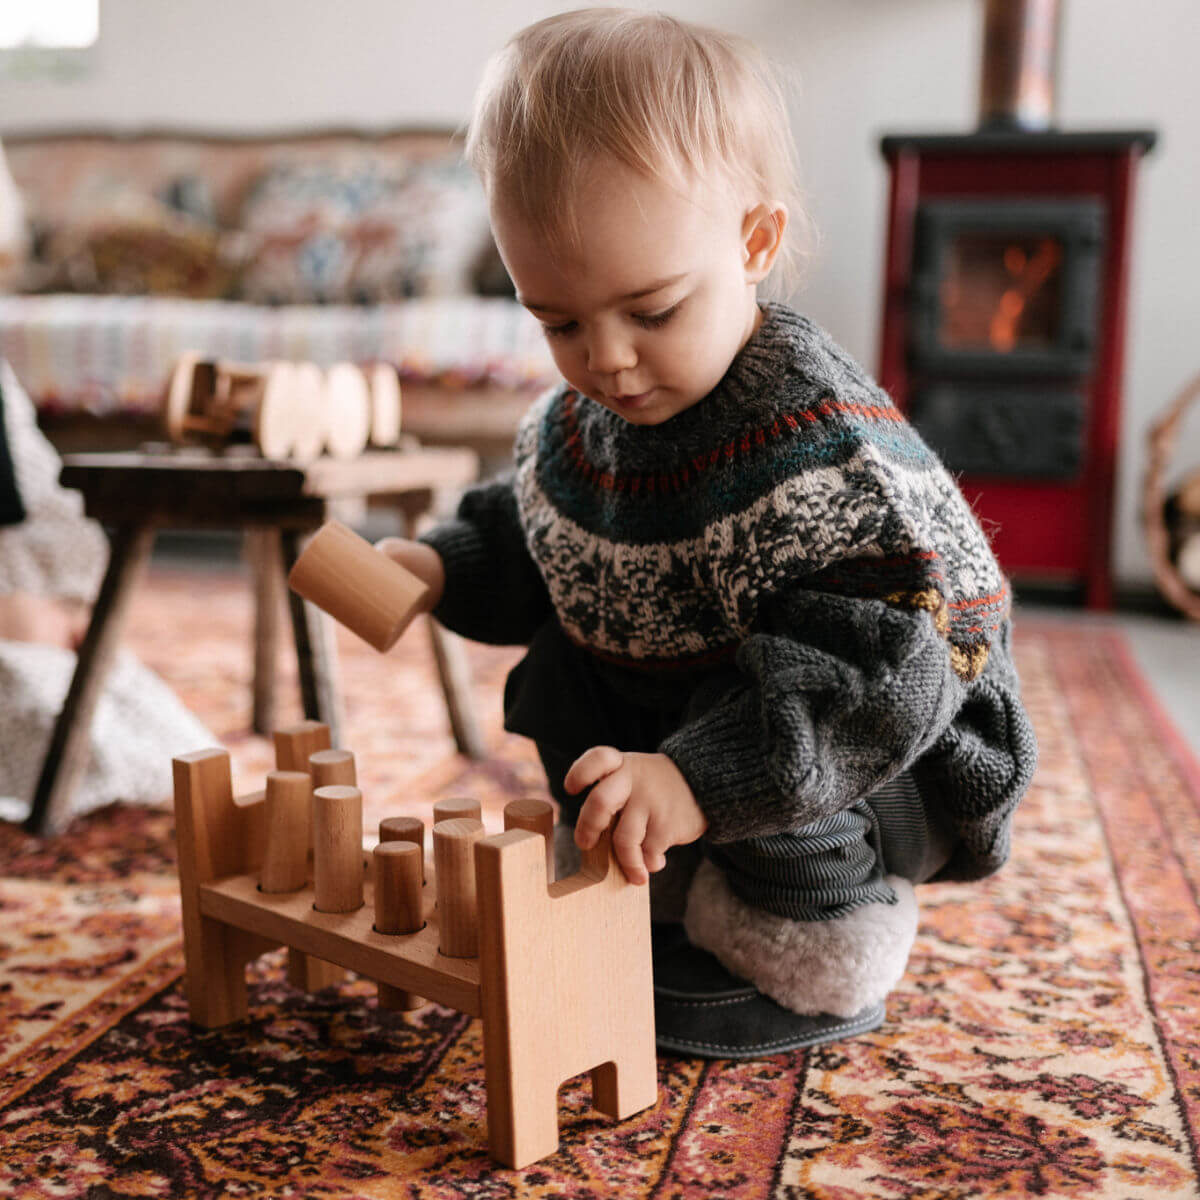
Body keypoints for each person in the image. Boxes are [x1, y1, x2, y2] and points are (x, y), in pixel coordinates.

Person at [379, 8, 1037, 1057]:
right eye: (558, 321)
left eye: (650, 311)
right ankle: (663, 881)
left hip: (890, 749)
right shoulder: (590, 419)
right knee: (563, 665)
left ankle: (813, 951)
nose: (607, 359)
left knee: (786, 712)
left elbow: (877, 674)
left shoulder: (816, 448)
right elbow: (549, 539)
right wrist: (435, 564)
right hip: (711, 707)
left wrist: (696, 780)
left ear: (753, 241)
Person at [0, 359, 214, 823]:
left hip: (29, 586)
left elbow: (41, 495)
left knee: (171, 744)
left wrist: (71, 597)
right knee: (64, 736)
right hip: (16, 626)